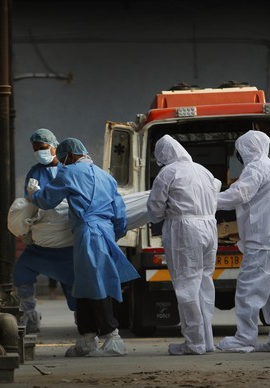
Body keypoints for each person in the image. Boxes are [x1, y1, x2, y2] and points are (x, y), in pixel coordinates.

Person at [28, 137, 139, 357]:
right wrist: (111, 234)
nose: (62, 162)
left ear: (68, 156)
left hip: (88, 233)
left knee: (96, 283)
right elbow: (120, 215)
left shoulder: (68, 173)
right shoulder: (107, 177)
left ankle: (112, 336)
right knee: (86, 283)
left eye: (62, 158)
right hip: (105, 232)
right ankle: (87, 336)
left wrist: (35, 194)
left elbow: (48, 200)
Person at [215, 130, 270, 353]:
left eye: (240, 151)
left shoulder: (256, 167)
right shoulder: (269, 166)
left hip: (262, 239)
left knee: (248, 289)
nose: (240, 156)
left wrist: (206, 199)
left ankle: (245, 338)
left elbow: (238, 195)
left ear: (247, 148)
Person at [147, 134, 220, 355]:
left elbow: (155, 208)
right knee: (204, 284)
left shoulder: (168, 172)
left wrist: (160, 217)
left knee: (187, 285)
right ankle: (207, 340)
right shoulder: (202, 170)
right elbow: (215, 192)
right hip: (209, 227)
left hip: (184, 230)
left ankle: (194, 343)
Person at [14, 128, 76, 334]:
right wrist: (27, 229)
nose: (38, 152)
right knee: (21, 272)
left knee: (74, 285)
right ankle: (30, 316)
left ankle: (84, 322)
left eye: (41, 148)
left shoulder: (69, 170)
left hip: (68, 239)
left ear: (54, 147)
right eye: (35, 149)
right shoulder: (35, 173)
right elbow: (29, 204)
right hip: (43, 240)